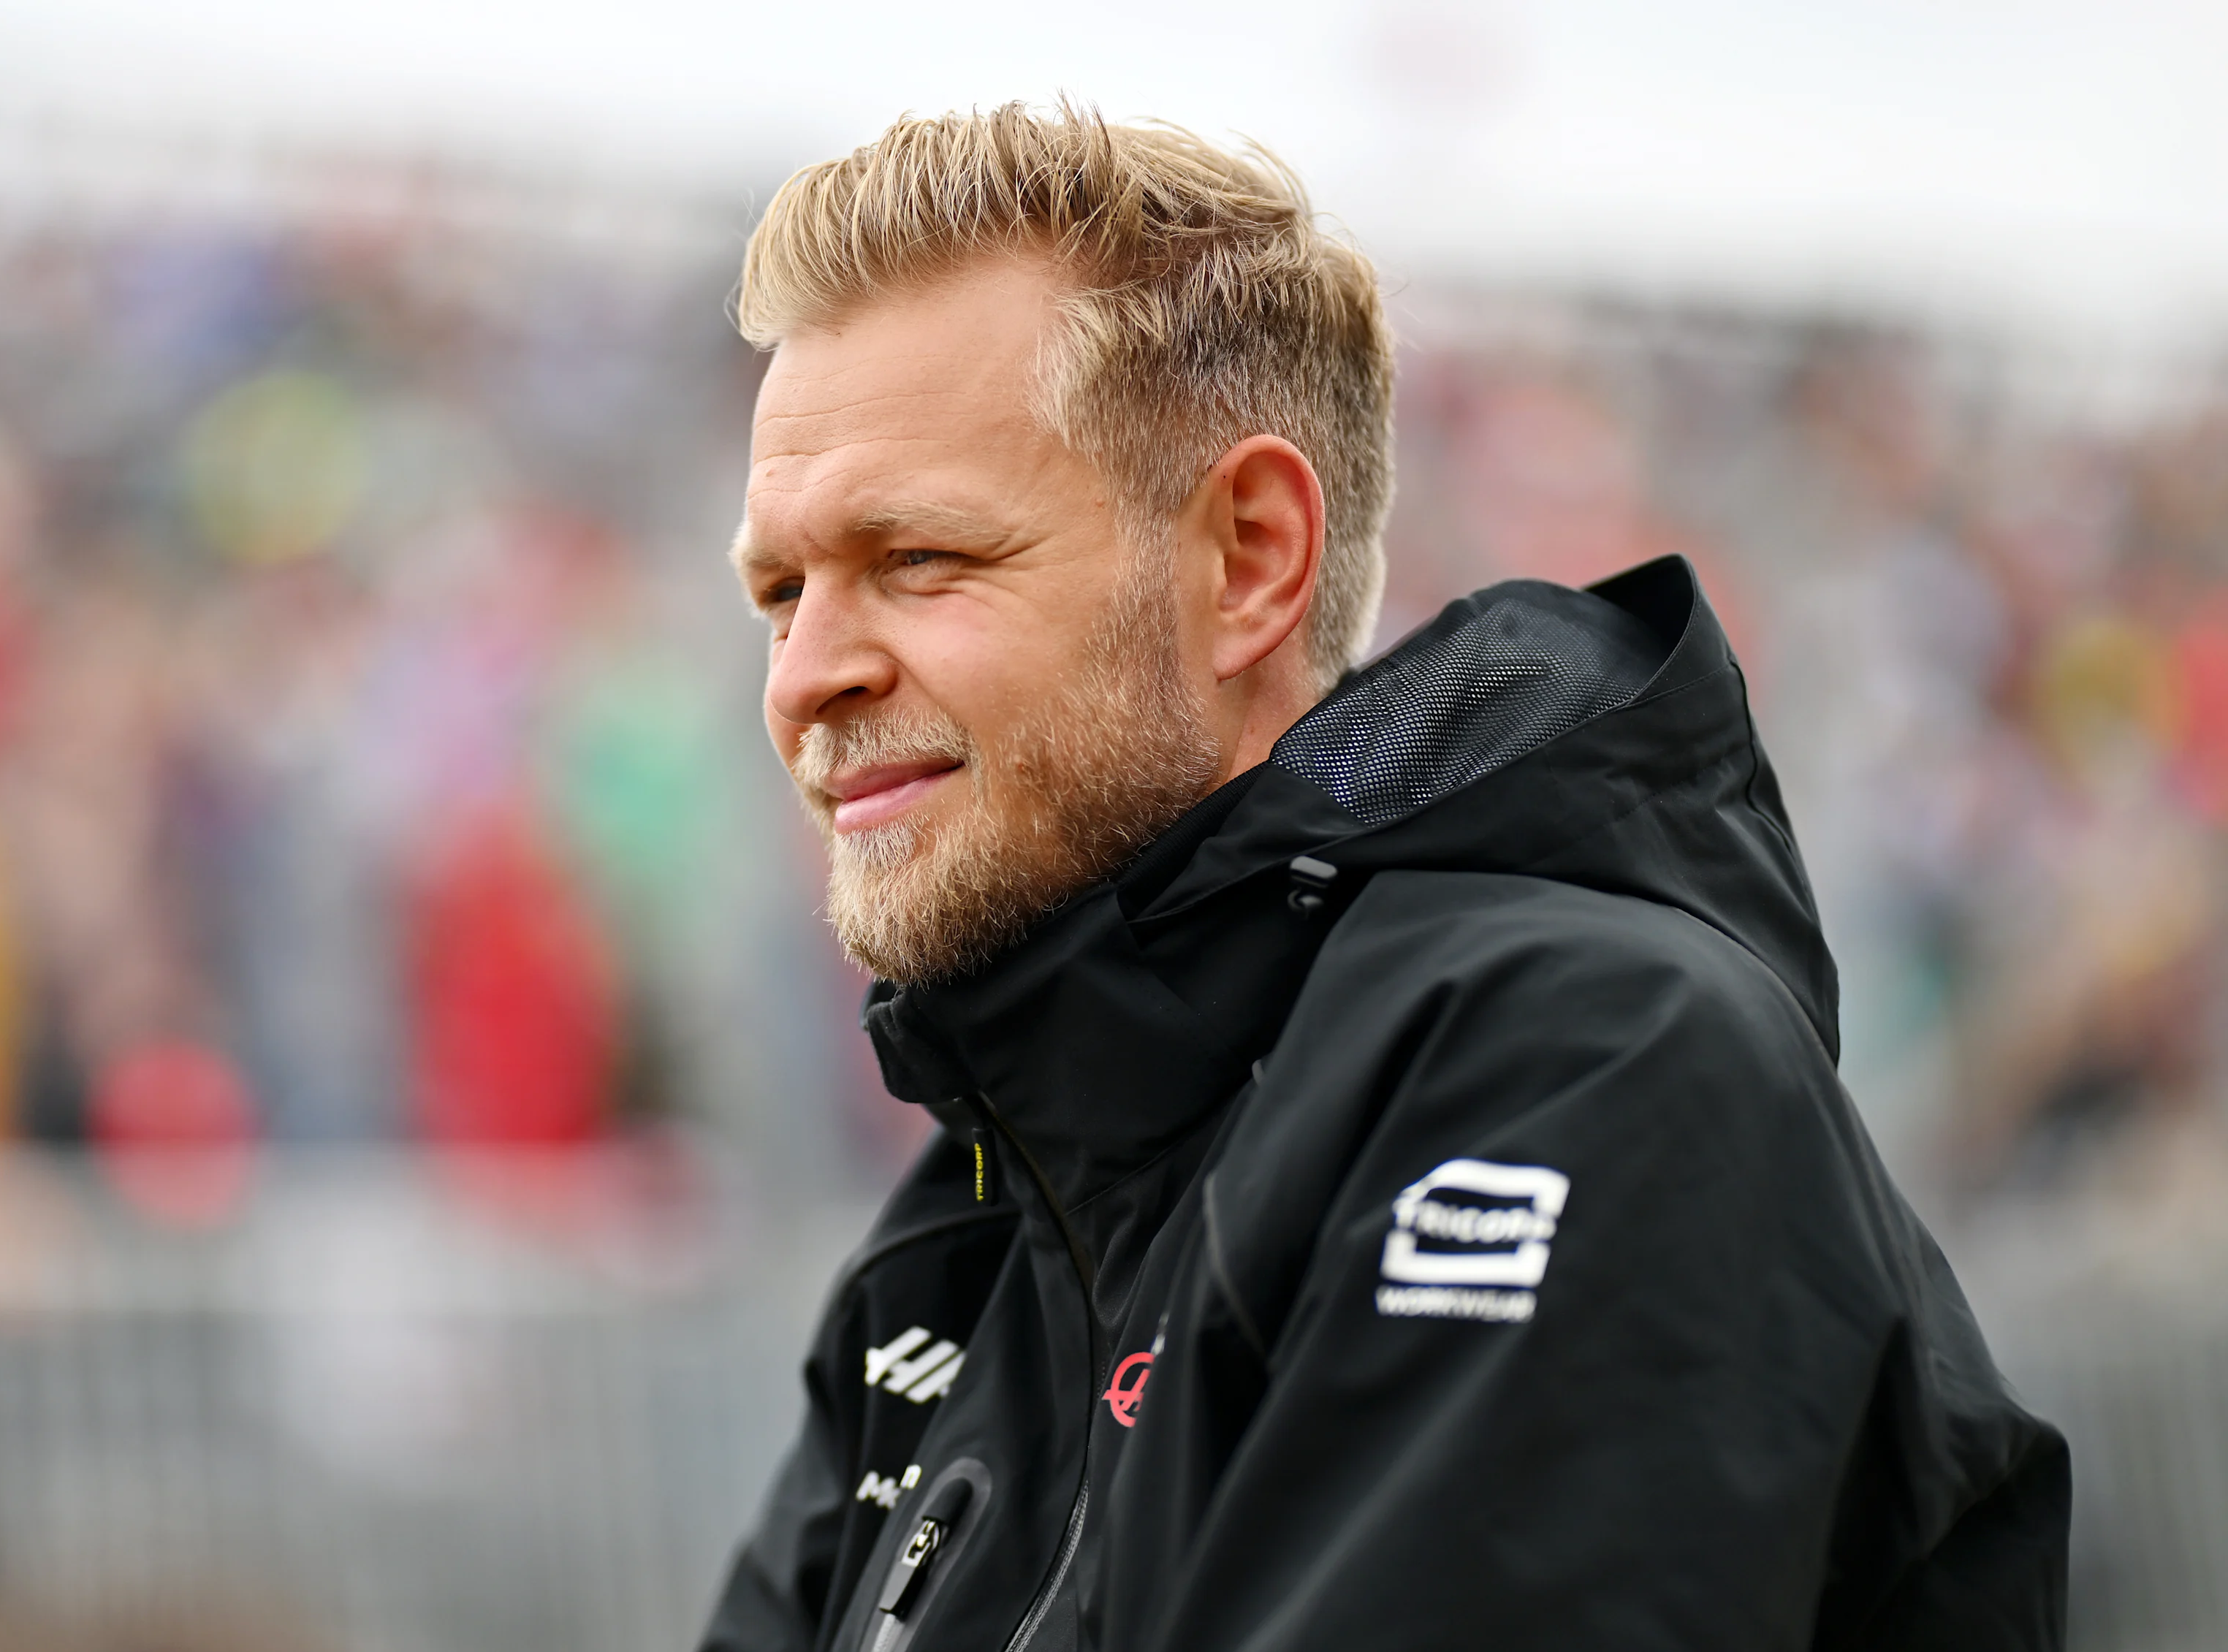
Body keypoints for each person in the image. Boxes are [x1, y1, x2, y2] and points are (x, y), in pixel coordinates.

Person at [703, 103, 2069, 1652]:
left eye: (917, 557)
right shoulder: (953, 1252)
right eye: (776, 589)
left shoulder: (1579, 1067)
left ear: (1250, 556)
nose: (804, 673)